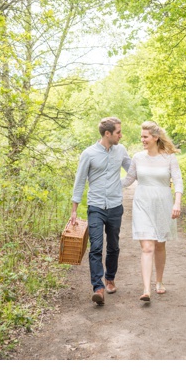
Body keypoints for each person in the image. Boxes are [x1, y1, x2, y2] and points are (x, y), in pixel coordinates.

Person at [69, 117, 132, 305]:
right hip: (95, 206)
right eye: (118, 132)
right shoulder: (88, 154)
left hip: (115, 206)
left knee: (113, 246)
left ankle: (110, 278)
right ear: (107, 133)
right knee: (96, 247)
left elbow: (134, 170)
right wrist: (74, 210)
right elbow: (80, 181)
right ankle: (98, 287)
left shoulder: (121, 151)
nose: (121, 135)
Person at [121, 121, 183, 302]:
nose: (142, 140)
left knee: (160, 245)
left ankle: (159, 281)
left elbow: (178, 181)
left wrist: (177, 203)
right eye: (141, 136)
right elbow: (128, 180)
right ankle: (146, 289)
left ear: (155, 137)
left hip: (163, 204)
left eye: (145, 136)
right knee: (147, 247)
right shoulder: (138, 157)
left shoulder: (169, 158)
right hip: (142, 204)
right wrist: (106, 185)